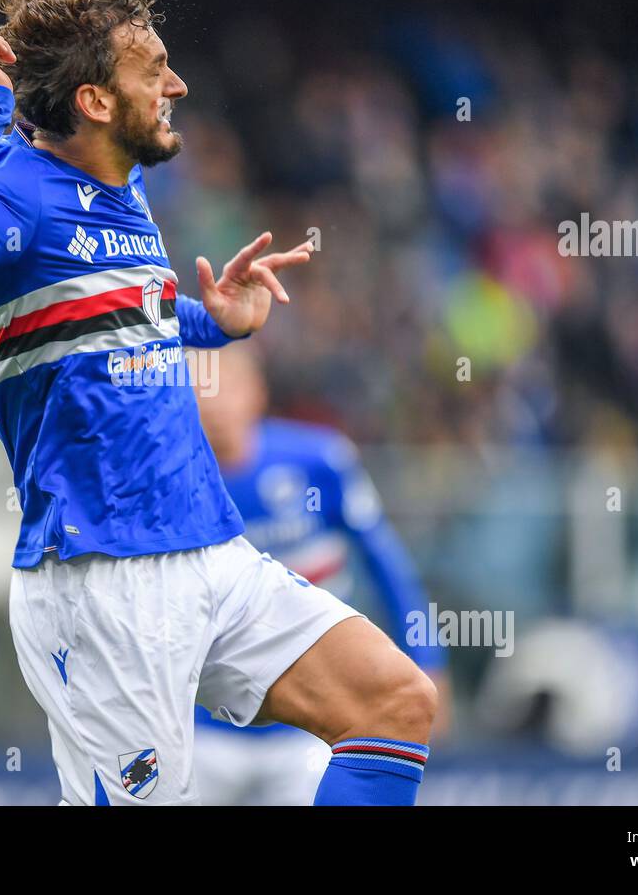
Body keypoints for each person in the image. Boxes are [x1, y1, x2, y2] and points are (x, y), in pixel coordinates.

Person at [0, 0, 436, 805]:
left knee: (395, 702)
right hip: (103, 581)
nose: (176, 88)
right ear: (95, 100)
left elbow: (123, 315)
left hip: (208, 547)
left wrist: (223, 320)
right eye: (157, 72)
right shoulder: (16, 192)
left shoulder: (124, 194)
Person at [192, 344, 450, 804]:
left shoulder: (319, 460)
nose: (213, 400)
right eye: (198, 388)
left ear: (257, 392)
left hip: (306, 727)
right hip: (199, 727)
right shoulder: (168, 484)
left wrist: (427, 657)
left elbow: (386, 564)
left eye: (226, 385)